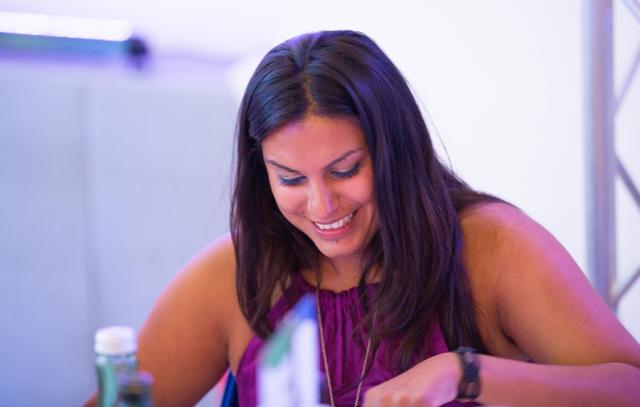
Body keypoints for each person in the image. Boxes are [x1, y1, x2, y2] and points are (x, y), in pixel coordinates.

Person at [100, 30, 640, 406]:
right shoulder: (239, 268)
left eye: (345, 170)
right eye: (290, 179)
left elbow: (630, 387)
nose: (321, 206)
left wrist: (466, 374)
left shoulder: (490, 247)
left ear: (395, 151)